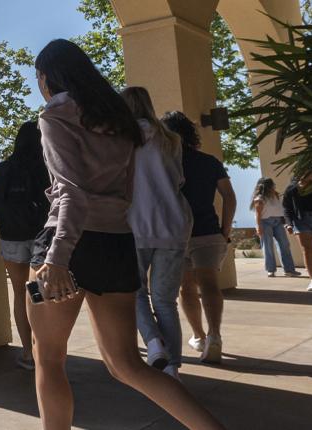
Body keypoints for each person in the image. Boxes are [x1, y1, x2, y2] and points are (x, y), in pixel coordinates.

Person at [27, 39, 221, 430]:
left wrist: (58, 258)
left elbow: (70, 190)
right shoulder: (121, 121)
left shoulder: (54, 118)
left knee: (48, 357)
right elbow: (126, 191)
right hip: (116, 245)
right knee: (126, 364)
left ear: (47, 77)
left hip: (66, 245)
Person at [121, 86, 193, 378]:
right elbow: (178, 179)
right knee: (165, 300)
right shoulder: (171, 140)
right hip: (174, 225)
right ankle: (173, 368)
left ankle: (153, 343)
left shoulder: (119, 140)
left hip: (135, 224)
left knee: (134, 292)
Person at [164, 111, 236, 365]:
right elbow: (229, 195)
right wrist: (225, 231)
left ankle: (199, 336)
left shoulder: (166, 163)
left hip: (176, 234)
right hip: (209, 231)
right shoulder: (210, 161)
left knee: (187, 288)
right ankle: (215, 335)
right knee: (210, 284)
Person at [0, 120, 50, 370]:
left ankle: (28, 353)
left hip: (12, 238)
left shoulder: (3, 170)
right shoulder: (44, 169)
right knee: (38, 294)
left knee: (21, 292)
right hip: (41, 238)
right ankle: (43, 348)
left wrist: (9, 220)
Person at [284, 173, 312, 291]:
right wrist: (288, 223)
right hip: (301, 221)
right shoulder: (292, 189)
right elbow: (286, 207)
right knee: (307, 250)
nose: (311, 174)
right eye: (307, 172)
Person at [253, 178, 300, 277]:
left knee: (285, 245)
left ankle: (289, 270)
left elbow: (280, 209)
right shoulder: (259, 198)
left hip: (278, 222)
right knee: (268, 246)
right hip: (265, 222)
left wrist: (286, 223)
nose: (274, 186)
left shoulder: (276, 195)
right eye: (272, 185)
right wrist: (258, 227)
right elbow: (258, 215)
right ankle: (271, 269)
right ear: (267, 186)